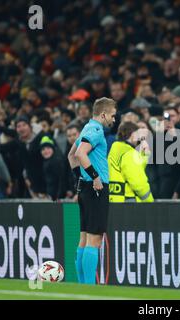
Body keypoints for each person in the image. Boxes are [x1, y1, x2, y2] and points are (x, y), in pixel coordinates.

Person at [67, 97, 116, 285]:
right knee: (94, 240)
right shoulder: (95, 131)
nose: (113, 119)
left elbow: (71, 156)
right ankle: (89, 288)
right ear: (103, 114)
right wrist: (95, 177)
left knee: (84, 239)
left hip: (86, 188)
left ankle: (82, 286)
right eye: (112, 115)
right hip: (97, 188)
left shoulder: (85, 129)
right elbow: (80, 154)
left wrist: (80, 180)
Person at [108, 121, 154, 202]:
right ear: (133, 134)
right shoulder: (130, 153)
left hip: (114, 198)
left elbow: (133, 168)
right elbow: (138, 182)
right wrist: (150, 200)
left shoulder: (115, 149)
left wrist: (144, 155)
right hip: (128, 200)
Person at [40, 136, 66, 201]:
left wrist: (59, 196)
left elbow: (61, 179)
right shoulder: (46, 161)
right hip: (52, 196)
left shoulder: (56, 161)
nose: (46, 151)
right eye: (43, 149)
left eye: (48, 148)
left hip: (58, 198)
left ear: (53, 149)